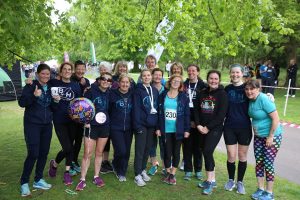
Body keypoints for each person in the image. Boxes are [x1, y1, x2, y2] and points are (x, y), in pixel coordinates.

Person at [18, 64, 60, 197]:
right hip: (32, 125)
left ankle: (38, 179)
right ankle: (24, 182)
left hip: (47, 125)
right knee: (33, 153)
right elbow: (22, 103)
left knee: (43, 153)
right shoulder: (31, 85)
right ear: (37, 74)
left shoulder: (51, 88)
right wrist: (34, 96)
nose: (46, 76)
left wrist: (56, 101)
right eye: (43, 74)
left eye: (48, 74)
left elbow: (52, 109)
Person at [244, 80, 283, 200]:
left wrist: (270, 136)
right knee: (259, 163)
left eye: (252, 89)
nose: (249, 91)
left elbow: (276, 119)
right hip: (258, 137)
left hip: (272, 137)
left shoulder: (264, 99)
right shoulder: (250, 100)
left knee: (268, 163)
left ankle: (269, 193)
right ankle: (260, 189)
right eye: (247, 89)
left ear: (258, 89)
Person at [75, 72, 112, 190]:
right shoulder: (91, 91)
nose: (106, 81)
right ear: (99, 80)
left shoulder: (111, 94)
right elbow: (83, 107)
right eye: (103, 79)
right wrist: (86, 121)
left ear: (111, 83)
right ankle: (82, 179)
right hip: (91, 127)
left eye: (109, 80)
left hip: (105, 126)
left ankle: (96, 176)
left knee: (99, 153)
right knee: (87, 153)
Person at [194, 70, 228, 195]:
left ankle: (209, 182)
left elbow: (221, 115)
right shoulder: (201, 92)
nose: (213, 81)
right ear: (207, 79)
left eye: (216, 79)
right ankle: (211, 179)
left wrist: (207, 128)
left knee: (208, 151)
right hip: (201, 128)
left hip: (214, 129)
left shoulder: (223, 94)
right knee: (205, 152)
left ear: (219, 80)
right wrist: (198, 124)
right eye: (211, 78)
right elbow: (197, 110)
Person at [48, 62, 81, 185]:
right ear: (61, 72)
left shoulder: (76, 86)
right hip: (59, 120)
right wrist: (31, 82)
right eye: (65, 69)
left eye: (69, 69)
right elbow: (41, 84)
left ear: (72, 72)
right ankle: (55, 165)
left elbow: (79, 103)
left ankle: (65, 171)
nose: (67, 71)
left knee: (69, 147)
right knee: (67, 147)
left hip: (72, 121)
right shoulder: (53, 83)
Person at [223, 64, 252, 195]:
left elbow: (257, 97)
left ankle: (240, 182)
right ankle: (230, 180)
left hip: (244, 127)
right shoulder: (227, 89)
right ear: (230, 74)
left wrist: (269, 97)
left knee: (242, 156)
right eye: (233, 73)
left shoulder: (247, 88)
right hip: (229, 126)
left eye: (237, 73)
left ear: (242, 74)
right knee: (231, 155)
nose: (235, 75)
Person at [157, 74, 190, 185]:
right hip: (165, 129)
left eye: (178, 81)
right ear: (170, 82)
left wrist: (187, 130)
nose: (176, 82)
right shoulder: (162, 95)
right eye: (174, 80)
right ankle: (167, 172)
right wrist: (158, 128)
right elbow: (158, 113)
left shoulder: (183, 97)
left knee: (176, 152)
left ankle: (173, 174)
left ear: (180, 84)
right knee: (167, 152)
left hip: (178, 130)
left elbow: (186, 115)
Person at [133, 69, 159, 187]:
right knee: (140, 149)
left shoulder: (155, 90)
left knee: (147, 149)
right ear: (141, 77)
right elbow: (136, 109)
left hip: (152, 125)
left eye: (148, 75)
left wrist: (157, 126)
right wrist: (137, 125)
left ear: (151, 76)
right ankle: (137, 174)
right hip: (142, 124)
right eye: (144, 76)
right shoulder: (138, 91)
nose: (147, 77)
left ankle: (142, 170)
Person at [182, 64, 206, 181]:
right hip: (186, 121)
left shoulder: (203, 86)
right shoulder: (183, 85)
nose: (191, 72)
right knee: (187, 147)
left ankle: (198, 170)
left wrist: (197, 122)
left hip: (199, 122)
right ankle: (187, 170)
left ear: (198, 72)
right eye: (189, 70)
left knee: (198, 147)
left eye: (193, 71)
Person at [109, 74, 134, 182]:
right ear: (118, 83)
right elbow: (108, 110)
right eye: (123, 82)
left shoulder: (133, 94)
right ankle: (118, 168)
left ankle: (122, 170)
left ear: (130, 84)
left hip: (129, 127)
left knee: (126, 151)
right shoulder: (112, 94)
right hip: (115, 127)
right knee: (121, 150)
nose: (125, 84)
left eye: (127, 82)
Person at [69, 60, 91, 175]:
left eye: (83, 69)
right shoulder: (70, 80)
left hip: (82, 117)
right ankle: (69, 163)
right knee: (70, 141)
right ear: (74, 69)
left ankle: (74, 161)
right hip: (71, 116)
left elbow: (87, 98)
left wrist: (84, 86)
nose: (80, 71)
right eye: (78, 68)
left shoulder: (86, 81)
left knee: (78, 140)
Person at [147, 68, 166, 176]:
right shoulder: (148, 88)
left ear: (162, 77)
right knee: (152, 143)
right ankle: (154, 164)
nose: (157, 77)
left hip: (163, 120)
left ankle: (164, 166)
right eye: (155, 75)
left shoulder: (165, 89)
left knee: (163, 144)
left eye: (160, 75)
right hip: (152, 119)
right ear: (152, 76)